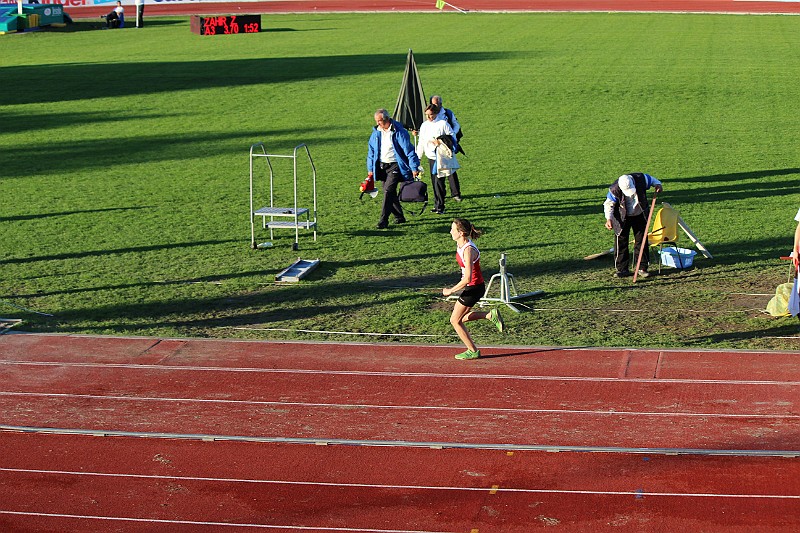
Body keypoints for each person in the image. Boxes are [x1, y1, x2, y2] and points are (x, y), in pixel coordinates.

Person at [442, 218, 504, 360]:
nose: (450, 231)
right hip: (474, 287)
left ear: (461, 233)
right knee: (460, 318)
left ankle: (472, 350)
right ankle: (489, 315)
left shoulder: (468, 250)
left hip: (473, 288)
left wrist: (450, 291)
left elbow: (468, 278)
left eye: (453, 229)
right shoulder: (461, 245)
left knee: (454, 320)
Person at [366, 109, 421, 229]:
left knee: (387, 191)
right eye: (376, 121)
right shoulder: (376, 133)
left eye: (379, 121)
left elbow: (409, 150)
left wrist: (414, 167)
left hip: (395, 165)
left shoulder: (399, 132)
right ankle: (399, 216)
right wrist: (370, 169)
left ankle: (383, 220)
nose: (378, 123)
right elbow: (371, 151)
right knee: (390, 192)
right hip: (382, 166)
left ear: (386, 119)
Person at [603, 173, 663, 278]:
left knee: (642, 240)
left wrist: (658, 185)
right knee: (621, 241)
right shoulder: (614, 189)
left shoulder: (641, 178)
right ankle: (622, 269)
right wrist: (609, 219)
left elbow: (653, 180)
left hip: (640, 214)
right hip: (622, 217)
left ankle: (642, 267)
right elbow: (609, 204)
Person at [415, 104, 456, 214]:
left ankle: (440, 206)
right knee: (435, 182)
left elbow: (452, 137)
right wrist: (417, 158)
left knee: (439, 181)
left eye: (431, 115)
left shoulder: (443, 124)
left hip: (441, 157)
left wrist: (440, 142)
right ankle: (438, 204)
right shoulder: (424, 125)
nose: (429, 117)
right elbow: (421, 142)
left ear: (436, 113)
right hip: (431, 157)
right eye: (427, 115)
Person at [431, 95, 463, 202]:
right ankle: (441, 194)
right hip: (434, 147)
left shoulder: (447, 113)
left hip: (446, 146)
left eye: (438, 104)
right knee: (437, 172)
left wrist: (451, 135)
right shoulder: (429, 114)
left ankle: (456, 193)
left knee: (450, 170)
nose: (437, 106)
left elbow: (456, 124)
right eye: (435, 104)